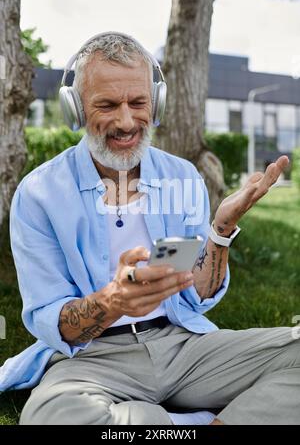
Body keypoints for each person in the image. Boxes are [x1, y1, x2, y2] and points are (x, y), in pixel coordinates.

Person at [0, 32, 297, 425]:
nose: (126, 121)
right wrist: (111, 302)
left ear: (156, 103)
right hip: (94, 357)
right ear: (76, 110)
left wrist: (221, 231)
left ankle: (156, 422)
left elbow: (197, 293)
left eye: (138, 103)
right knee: (52, 414)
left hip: (182, 345)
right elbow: (52, 320)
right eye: (107, 105)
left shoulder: (182, 177)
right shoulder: (39, 194)